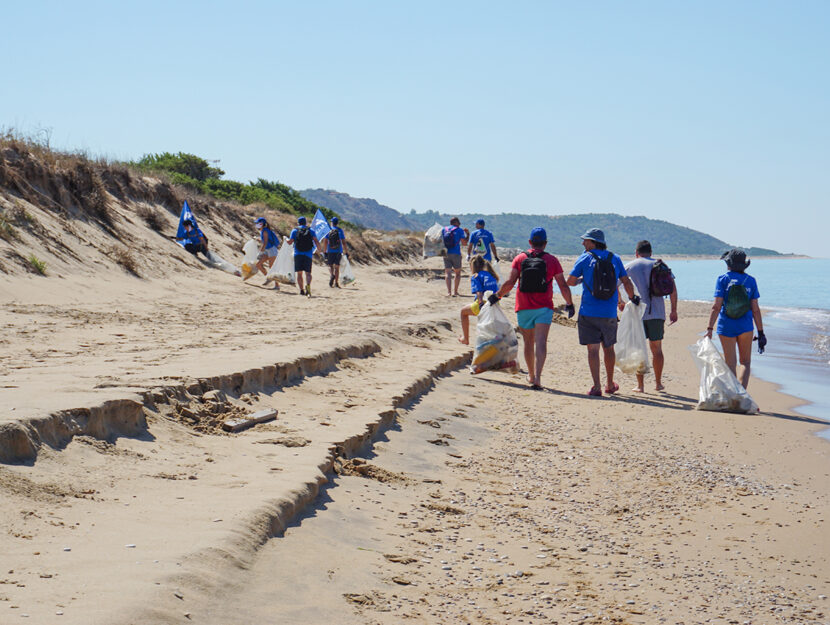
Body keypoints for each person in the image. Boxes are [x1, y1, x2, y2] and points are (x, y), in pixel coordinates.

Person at [491, 227, 574, 389]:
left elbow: (510, 283)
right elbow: (563, 285)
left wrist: (497, 295)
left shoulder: (520, 258)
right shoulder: (552, 260)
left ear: (530, 242)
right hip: (544, 307)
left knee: (528, 343)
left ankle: (530, 374)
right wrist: (569, 303)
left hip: (523, 307)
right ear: (545, 243)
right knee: (541, 341)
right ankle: (538, 377)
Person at [566, 228, 639, 397]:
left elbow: (570, 281)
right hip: (609, 312)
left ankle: (597, 386)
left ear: (593, 242)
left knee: (592, 350)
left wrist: (583, 279)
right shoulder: (615, 258)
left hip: (588, 310)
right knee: (609, 348)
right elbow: (626, 281)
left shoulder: (584, 258)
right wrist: (632, 297)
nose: (583, 243)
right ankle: (609, 384)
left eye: (586, 240)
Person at [617, 240, 678, 392]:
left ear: (636, 252)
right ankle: (658, 383)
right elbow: (673, 290)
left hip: (637, 314)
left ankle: (640, 385)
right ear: (651, 252)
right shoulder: (661, 265)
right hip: (657, 313)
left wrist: (620, 301)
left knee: (639, 348)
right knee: (657, 349)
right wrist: (674, 310)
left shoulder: (630, 266)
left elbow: (615, 285)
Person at [705, 249, 766, 389]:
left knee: (730, 363)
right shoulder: (751, 280)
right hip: (745, 326)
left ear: (729, 263)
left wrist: (709, 328)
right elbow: (755, 309)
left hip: (726, 325)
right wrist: (761, 332)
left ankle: (733, 394)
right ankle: (742, 396)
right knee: (745, 362)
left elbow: (716, 306)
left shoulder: (722, 279)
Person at [458, 255, 500, 345]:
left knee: (463, 312)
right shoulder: (491, 274)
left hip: (483, 304)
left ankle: (465, 339)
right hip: (495, 304)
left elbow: (479, 292)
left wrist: (480, 303)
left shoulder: (476, 276)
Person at [287, 216, 321, 297]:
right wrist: (320, 250)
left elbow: (290, 242)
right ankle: (308, 286)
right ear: (306, 223)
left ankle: (301, 290)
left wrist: (285, 239)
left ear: (298, 223)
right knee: (308, 273)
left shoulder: (295, 230)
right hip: (308, 254)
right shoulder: (311, 230)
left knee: (299, 274)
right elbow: (316, 241)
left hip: (298, 254)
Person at [249, 217, 280, 288]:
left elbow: (265, 243)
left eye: (257, 223)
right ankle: (269, 278)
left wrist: (260, 252)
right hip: (268, 250)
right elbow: (265, 241)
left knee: (272, 268)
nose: (256, 224)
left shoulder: (265, 231)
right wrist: (258, 239)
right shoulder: (264, 231)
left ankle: (277, 285)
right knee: (258, 264)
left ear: (261, 224)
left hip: (271, 250)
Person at [442, 217, 469, 297]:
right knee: (457, 273)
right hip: (456, 253)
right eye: (459, 222)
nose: (460, 224)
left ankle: (449, 292)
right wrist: (468, 234)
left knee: (448, 273)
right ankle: (455, 292)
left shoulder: (444, 229)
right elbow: (464, 243)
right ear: (456, 223)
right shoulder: (459, 230)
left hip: (446, 253)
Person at [322, 216, 348, 288]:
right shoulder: (340, 231)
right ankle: (336, 283)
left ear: (332, 223)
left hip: (330, 251)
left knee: (330, 265)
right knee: (337, 267)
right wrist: (346, 251)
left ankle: (332, 275)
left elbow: (325, 242)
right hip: (338, 251)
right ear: (337, 223)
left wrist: (325, 251)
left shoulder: (328, 230)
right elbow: (344, 242)